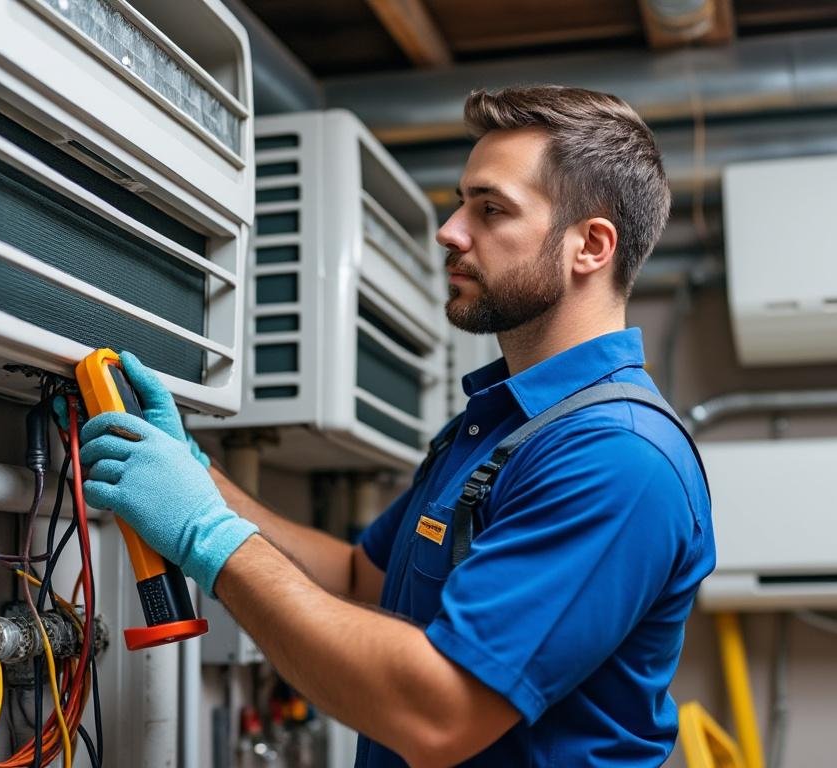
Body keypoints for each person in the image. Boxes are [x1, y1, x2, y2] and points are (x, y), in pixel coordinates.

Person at [78, 85, 715, 767]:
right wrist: (202, 481)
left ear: (590, 246)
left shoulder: (615, 456)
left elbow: (440, 713)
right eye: (462, 202)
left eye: (490, 208)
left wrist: (206, 536)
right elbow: (359, 578)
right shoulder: (504, 426)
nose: (450, 231)